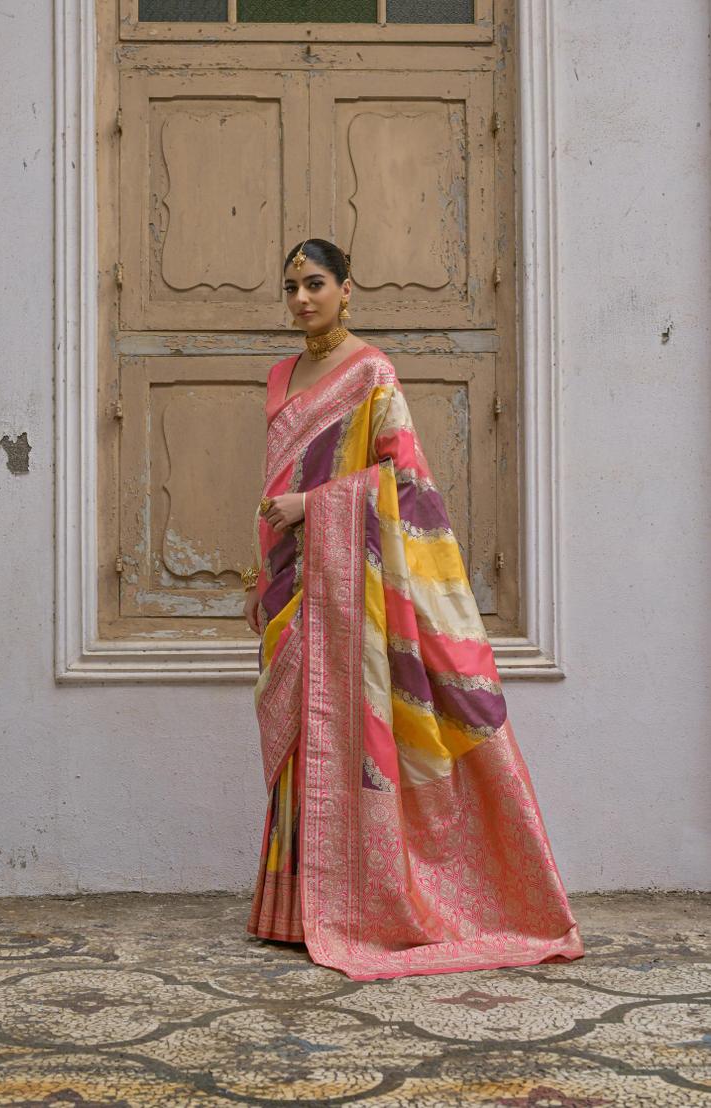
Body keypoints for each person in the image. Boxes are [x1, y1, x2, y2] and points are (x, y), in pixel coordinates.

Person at [240, 237, 584, 981]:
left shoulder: (371, 374)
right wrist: (256, 575)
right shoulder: (279, 375)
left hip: (353, 584)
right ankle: (292, 907)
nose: (302, 299)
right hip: (289, 581)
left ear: (347, 289)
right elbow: (273, 480)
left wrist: (315, 507)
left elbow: (406, 485)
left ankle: (367, 901)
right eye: (292, 286)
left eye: (316, 284)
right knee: (300, 740)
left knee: (353, 728)